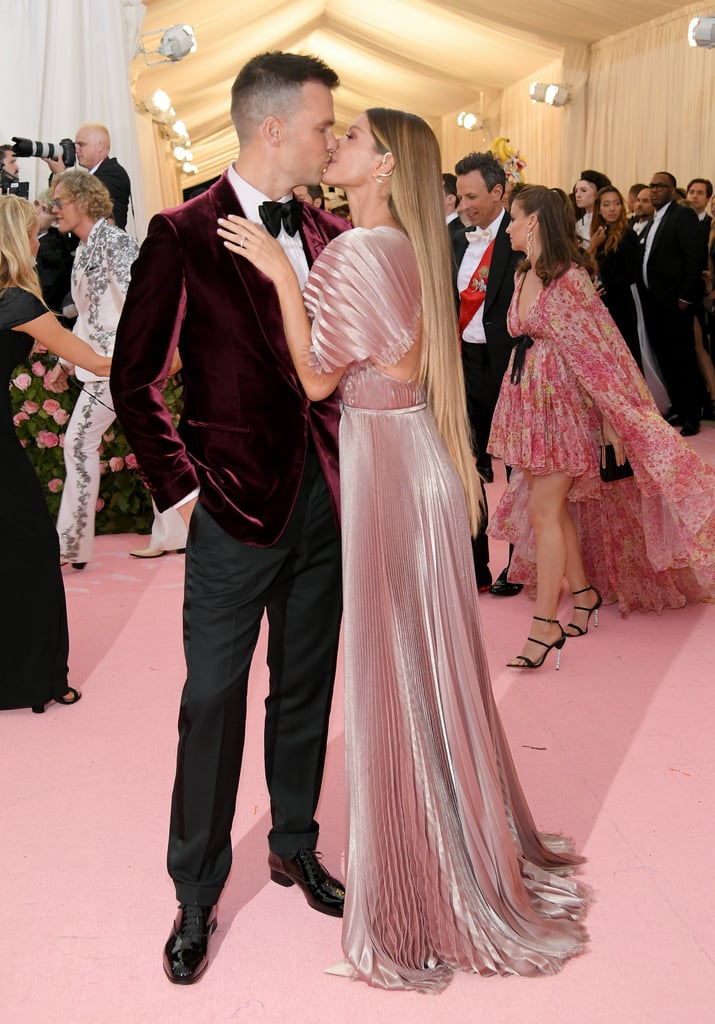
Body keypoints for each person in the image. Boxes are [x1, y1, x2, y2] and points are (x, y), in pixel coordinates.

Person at [218, 108, 588, 991]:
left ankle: (431, 883)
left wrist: (276, 273)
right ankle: (459, 852)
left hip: (385, 467)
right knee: (423, 668)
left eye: (344, 137)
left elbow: (314, 380)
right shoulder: (402, 244)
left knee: (397, 673)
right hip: (410, 457)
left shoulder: (357, 249)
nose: (329, 143)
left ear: (381, 164)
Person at [110, 51, 349, 986]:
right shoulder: (180, 232)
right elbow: (134, 378)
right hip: (230, 511)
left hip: (323, 502)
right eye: (325, 124)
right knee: (209, 700)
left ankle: (293, 840)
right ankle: (197, 893)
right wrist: (184, 489)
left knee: (305, 686)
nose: (333, 139)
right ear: (274, 127)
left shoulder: (329, 231)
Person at [486, 186, 715, 668]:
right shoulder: (526, 272)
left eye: (513, 219)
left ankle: (545, 626)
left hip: (563, 409)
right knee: (555, 510)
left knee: (545, 513)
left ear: (533, 223)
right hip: (528, 405)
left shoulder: (570, 280)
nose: (507, 227)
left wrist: (615, 420)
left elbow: (603, 353)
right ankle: (584, 595)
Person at [0, 195, 111, 712]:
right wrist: (168, 351)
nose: (38, 240)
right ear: (16, 239)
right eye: (32, 232)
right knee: (35, 553)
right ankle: (41, 679)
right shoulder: (20, 305)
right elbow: (95, 361)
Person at [51, 170, 138, 570]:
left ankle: (71, 543)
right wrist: (66, 359)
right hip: (102, 367)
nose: (55, 211)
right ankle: (73, 543)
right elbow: (88, 316)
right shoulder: (86, 246)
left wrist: (143, 359)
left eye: (60, 201)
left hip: (119, 367)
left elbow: (141, 301)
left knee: (79, 441)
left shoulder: (115, 241)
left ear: (84, 201)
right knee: (154, 448)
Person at [452, 150, 523, 596]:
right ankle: (474, 563)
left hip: (513, 369)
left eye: (472, 197)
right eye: (459, 197)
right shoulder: (456, 238)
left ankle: (519, 565)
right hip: (465, 367)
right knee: (468, 466)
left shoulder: (520, 238)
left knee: (518, 470)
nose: (462, 206)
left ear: (498, 193)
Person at [637, 171, 707, 437]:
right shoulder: (654, 218)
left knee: (683, 359)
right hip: (654, 302)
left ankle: (692, 415)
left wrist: (685, 297)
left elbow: (694, 257)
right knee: (666, 359)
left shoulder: (682, 215)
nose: (654, 190)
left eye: (660, 186)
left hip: (675, 303)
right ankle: (678, 406)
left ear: (672, 189)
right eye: (651, 186)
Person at [588, 186, 643, 370]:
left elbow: (632, 274)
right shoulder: (600, 234)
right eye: (607, 204)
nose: (612, 209)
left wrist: (606, 288)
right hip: (603, 303)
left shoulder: (628, 234)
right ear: (599, 209)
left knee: (628, 356)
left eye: (616, 203)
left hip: (622, 303)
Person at [44, 123, 131, 229]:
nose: (76, 150)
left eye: (81, 144)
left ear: (100, 146)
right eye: (75, 145)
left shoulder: (114, 174)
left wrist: (60, 175)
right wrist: (57, 174)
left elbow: (83, 205)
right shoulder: (90, 176)